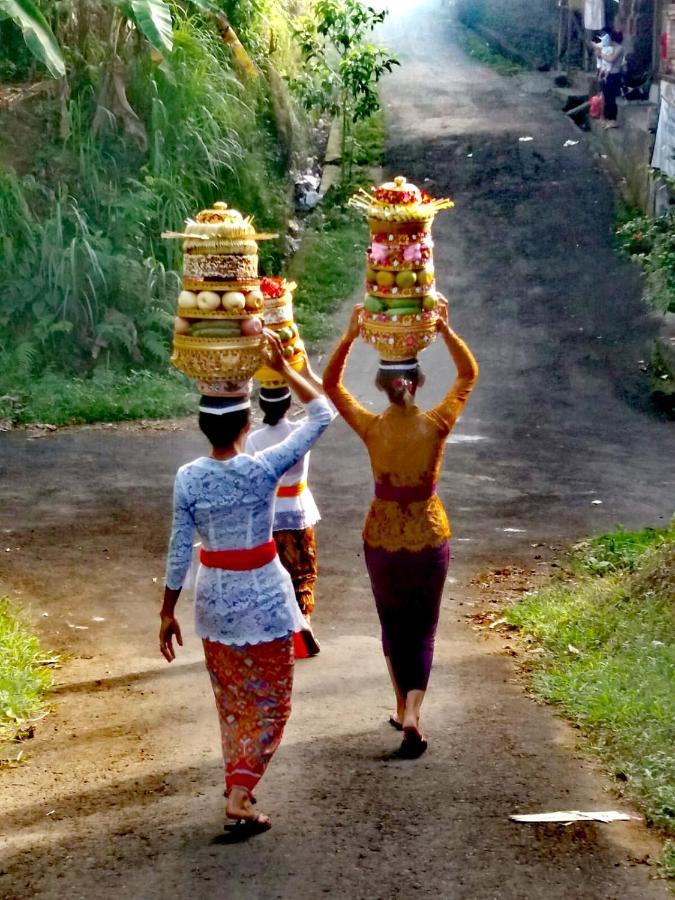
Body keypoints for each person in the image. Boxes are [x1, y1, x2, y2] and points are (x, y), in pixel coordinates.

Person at [159, 332, 333, 836]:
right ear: (247, 422)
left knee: (233, 702)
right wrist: (286, 366)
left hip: (213, 602)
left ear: (201, 424)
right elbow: (323, 414)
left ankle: (239, 780)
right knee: (274, 700)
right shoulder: (264, 468)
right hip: (265, 601)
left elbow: (177, 548)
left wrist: (167, 611)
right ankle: (239, 792)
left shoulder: (188, 477)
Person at [322, 301, 478, 758]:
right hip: (429, 535)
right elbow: (468, 375)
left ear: (383, 386)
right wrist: (447, 332)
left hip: (382, 538)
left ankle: (397, 702)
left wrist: (350, 335)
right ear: (417, 383)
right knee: (424, 627)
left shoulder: (372, 427)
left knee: (392, 625)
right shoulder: (436, 424)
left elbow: (330, 386)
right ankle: (412, 711)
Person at [245, 357, 331, 658]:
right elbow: (326, 405)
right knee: (303, 572)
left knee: (275, 572)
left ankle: (278, 632)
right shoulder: (299, 430)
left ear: (260, 405)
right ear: (288, 403)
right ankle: (304, 622)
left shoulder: (254, 439)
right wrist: (301, 372)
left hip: (270, 514)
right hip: (300, 508)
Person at [591, 30, 625, 129]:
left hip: (614, 75)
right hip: (606, 75)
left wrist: (601, 54)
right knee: (605, 97)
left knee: (611, 99)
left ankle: (613, 120)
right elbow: (602, 60)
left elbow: (611, 59)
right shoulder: (609, 48)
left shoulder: (619, 48)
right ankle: (606, 118)